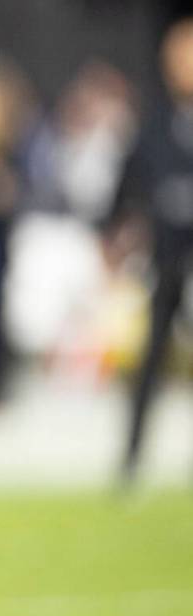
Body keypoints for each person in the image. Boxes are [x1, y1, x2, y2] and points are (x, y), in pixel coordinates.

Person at [117, 17, 193, 483]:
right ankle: (133, 457)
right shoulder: (156, 124)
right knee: (153, 354)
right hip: (168, 261)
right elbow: (129, 187)